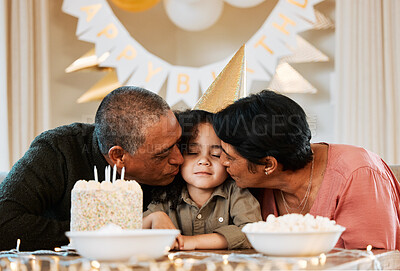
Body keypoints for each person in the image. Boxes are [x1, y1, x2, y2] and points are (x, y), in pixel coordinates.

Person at [0, 86, 184, 251]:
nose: (179, 159)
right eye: (162, 154)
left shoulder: (191, 160)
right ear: (118, 156)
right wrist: (108, 235)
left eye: (179, 143)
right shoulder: (59, 150)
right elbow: (4, 225)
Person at [212, 89, 400, 250]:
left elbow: (374, 262)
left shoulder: (358, 173)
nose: (221, 162)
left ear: (269, 164)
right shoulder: (249, 187)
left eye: (229, 157)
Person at [143, 110, 262, 250]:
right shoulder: (166, 196)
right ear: (178, 156)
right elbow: (127, 231)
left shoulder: (236, 192)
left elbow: (253, 233)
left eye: (216, 154)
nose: (204, 161)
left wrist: (192, 242)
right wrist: (154, 217)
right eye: (193, 152)